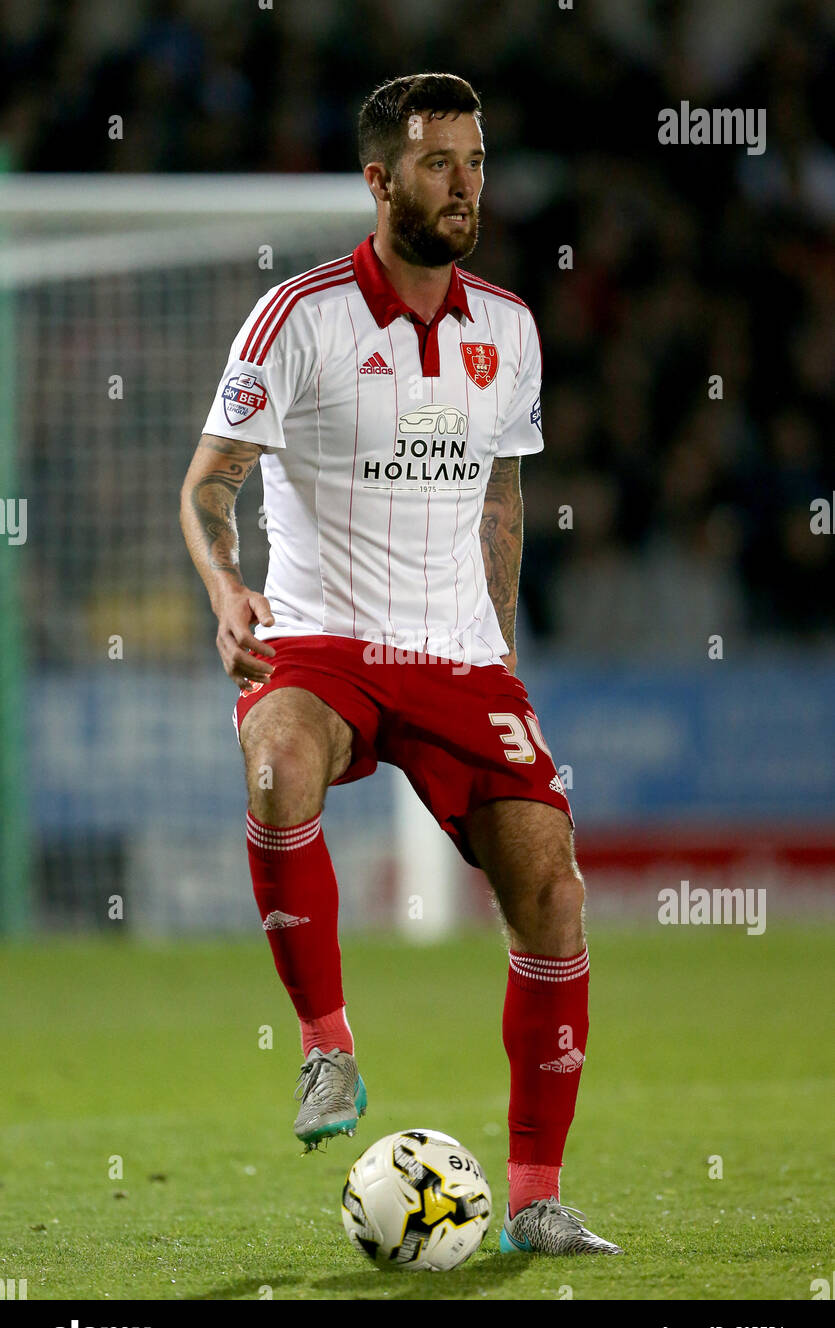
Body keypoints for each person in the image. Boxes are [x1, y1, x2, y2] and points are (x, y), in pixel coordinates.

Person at [180, 72, 621, 1256]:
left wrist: (504, 650)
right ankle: (328, 1047)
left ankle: (534, 1198)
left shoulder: (511, 329)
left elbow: (503, 499)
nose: (463, 183)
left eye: (474, 161)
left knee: (554, 889)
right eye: (437, 164)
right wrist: (230, 594)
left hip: (462, 660)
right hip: (322, 642)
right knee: (275, 762)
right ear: (380, 181)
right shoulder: (299, 317)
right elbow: (210, 481)